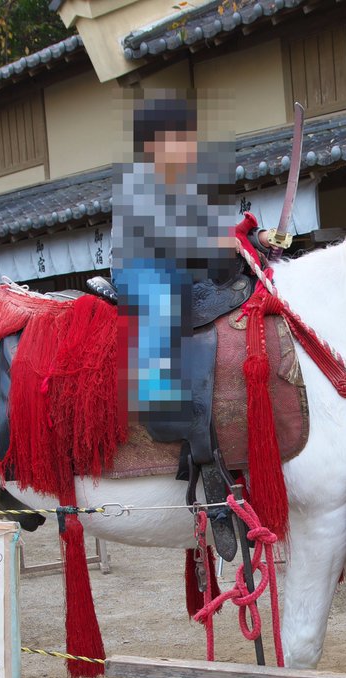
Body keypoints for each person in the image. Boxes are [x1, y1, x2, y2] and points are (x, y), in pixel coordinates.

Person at [111, 93, 236, 442]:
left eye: (188, 138)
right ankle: (155, 397)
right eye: (179, 138)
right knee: (159, 297)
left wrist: (245, 237)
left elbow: (212, 226)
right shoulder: (137, 184)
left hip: (179, 269)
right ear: (152, 145)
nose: (188, 147)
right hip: (140, 267)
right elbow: (170, 234)